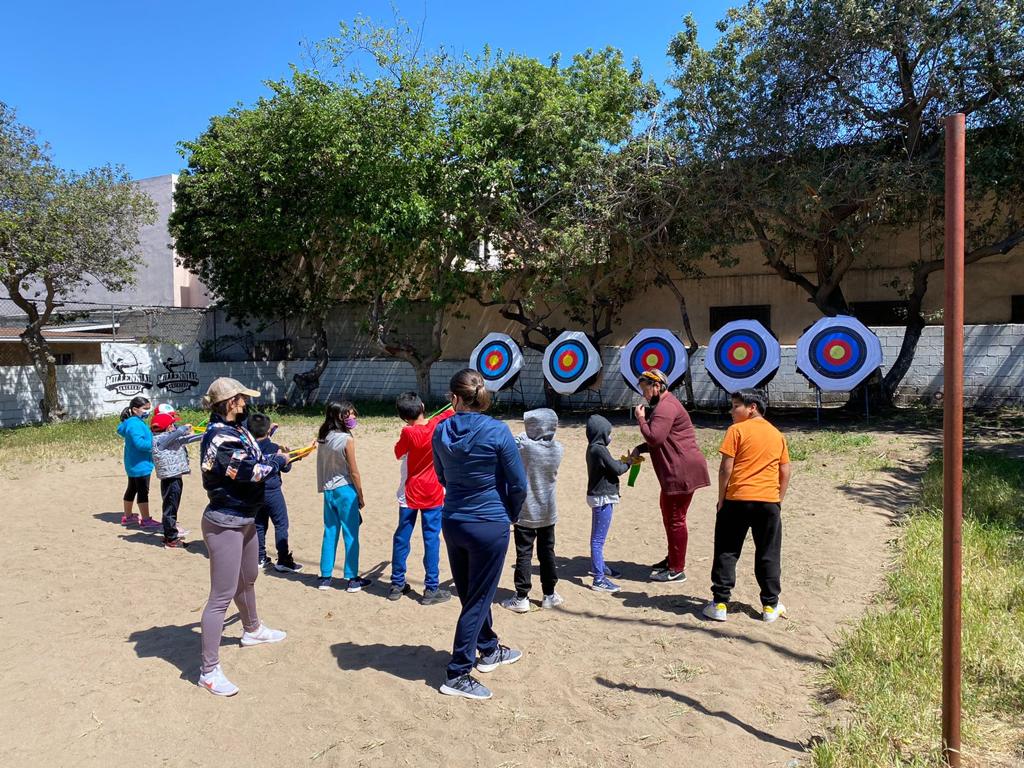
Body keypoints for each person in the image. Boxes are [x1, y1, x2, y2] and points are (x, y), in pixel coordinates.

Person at [432, 368, 527, 701]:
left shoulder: (440, 430)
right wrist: (509, 514)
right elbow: (518, 483)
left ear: (454, 398)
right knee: (476, 598)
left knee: (473, 592)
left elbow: (442, 475)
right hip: (488, 522)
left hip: (454, 520)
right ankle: (458, 671)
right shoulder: (499, 431)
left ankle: (488, 648)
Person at [197, 378, 290, 697]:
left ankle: (252, 630)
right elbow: (248, 470)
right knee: (220, 597)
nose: (246, 403)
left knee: (248, 577)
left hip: (246, 516)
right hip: (225, 521)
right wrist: (276, 462)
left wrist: (272, 446)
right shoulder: (220, 436)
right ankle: (208, 671)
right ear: (229, 402)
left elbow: (253, 453)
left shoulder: (234, 429)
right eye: (241, 399)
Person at [703, 389, 792, 624]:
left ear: (752, 407)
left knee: (727, 550)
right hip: (768, 502)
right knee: (768, 552)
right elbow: (785, 470)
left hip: (737, 500)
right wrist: (778, 499)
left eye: (735, 406)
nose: (731, 411)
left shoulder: (736, 431)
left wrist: (722, 497)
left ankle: (720, 603)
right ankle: (771, 606)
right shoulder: (777, 434)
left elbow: (725, 468)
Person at [630, 368, 710, 583]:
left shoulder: (665, 407)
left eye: (646, 389)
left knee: (675, 519)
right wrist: (640, 448)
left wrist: (640, 419)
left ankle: (676, 569)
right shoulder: (665, 404)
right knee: (670, 515)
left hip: (681, 471)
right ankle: (673, 559)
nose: (644, 395)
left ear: (657, 387)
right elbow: (663, 439)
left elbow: (655, 438)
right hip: (677, 469)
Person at [388, 392, 453, 605]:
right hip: (433, 492)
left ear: (402, 415)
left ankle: (397, 584)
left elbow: (398, 453)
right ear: (423, 406)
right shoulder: (436, 424)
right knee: (431, 539)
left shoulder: (407, 432)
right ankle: (431, 588)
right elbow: (451, 410)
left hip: (410, 492)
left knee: (402, 537)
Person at [501, 408, 565, 613]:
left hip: (526, 511)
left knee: (524, 554)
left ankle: (521, 597)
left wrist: (521, 437)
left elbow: (514, 440)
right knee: (547, 553)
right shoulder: (558, 448)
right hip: (548, 511)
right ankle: (549, 594)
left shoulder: (525, 448)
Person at [315, 401, 371, 593]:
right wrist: (361, 495)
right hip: (346, 490)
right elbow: (354, 471)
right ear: (341, 417)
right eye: (350, 415)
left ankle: (325, 576)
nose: (354, 418)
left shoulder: (324, 437)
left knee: (330, 532)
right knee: (351, 534)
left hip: (328, 490)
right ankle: (352, 578)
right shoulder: (346, 439)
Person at [246, 413, 303, 574]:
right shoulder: (274, 448)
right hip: (272, 491)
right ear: (267, 430)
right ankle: (283, 559)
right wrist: (286, 455)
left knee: (259, 524)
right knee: (281, 523)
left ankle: (260, 557)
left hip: (254, 491)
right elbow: (285, 467)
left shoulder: (248, 449)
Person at [585, 414, 634, 593]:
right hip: (602, 497)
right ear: (602, 433)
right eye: (609, 432)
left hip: (599, 496)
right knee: (598, 540)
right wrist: (628, 463)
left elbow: (610, 465)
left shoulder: (594, 448)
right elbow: (616, 469)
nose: (610, 436)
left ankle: (600, 566)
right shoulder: (599, 449)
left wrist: (621, 462)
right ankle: (599, 578)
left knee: (597, 538)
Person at [150, 407, 202, 548]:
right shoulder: (160, 440)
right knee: (170, 509)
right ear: (167, 428)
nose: (175, 426)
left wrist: (208, 433)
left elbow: (187, 438)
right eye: (172, 424)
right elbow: (178, 433)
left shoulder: (169, 438)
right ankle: (171, 539)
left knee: (171, 507)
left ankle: (169, 535)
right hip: (170, 479)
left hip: (174, 477)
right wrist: (183, 428)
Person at [116, 395, 160, 531]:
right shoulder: (135, 424)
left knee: (132, 488)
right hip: (141, 465)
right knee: (142, 491)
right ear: (135, 410)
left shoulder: (132, 422)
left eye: (149, 408)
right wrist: (156, 444)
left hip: (132, 463)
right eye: (145, 408)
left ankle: (128, 517)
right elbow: (140, 444)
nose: (148, 411)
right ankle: (146, 519)